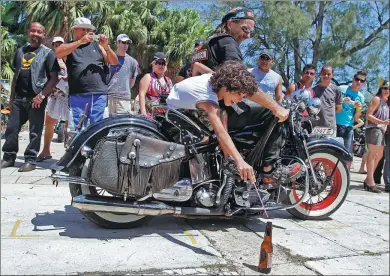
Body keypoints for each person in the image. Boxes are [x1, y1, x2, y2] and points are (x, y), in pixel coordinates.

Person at [188, 7, 298, 183]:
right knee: (274, 115)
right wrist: (276, 107)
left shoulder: (205, 45)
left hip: (197, 110)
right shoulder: (227, 42)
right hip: (216, 111)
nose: (248, 36)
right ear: (230, 23)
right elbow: (241, 82)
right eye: (245, 29)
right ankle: (269, 172)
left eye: (251, 32)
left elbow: (182, 75)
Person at [1, 22, 59, 172]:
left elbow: (54, 78)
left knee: (35, 131)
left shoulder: (48, 53)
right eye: (33, 31)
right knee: (12, 128)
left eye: (39, 32)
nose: (35, 34)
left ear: (43, 35)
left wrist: (41, 96)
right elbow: (16, 76)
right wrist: (12, 98)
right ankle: (8, 157)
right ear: (28, 32)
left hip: (36, 99)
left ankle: (30, 160)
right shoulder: (20, 51)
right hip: (19, 98)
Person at [55, 17, 118, 129]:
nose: (86, 32)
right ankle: (79, 147)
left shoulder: (98, 46)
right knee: (77, 129)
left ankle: (96, 147)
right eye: (83, 29)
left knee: (97, 130)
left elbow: (114, 62)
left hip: (99, 94)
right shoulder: (70, 46)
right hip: (78, 94)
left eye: (88, 30)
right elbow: (58, 53)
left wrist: (106, 46)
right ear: (75, 30)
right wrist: (80, 42)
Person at [37, 36, 69, 162]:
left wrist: (64, 78)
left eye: (60, 44)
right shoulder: (50, 58)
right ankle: (46, 151)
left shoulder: (69, 57)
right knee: (49, 123)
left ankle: (69, 154)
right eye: (55, 44)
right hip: (54, 95)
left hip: (67, 94)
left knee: (68, 125)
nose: (58, 46)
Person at [335, 70, 366, 168]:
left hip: (348, 127)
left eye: (362, 81)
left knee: (347, 154)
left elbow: (356, 117)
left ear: (364, 83)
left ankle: (343, 176)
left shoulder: (361, 97)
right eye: (357, 79)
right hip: (335, 124)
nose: (359, 82)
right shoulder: (341, 89)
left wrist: (359, 108)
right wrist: (341, 101)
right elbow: (330, 103)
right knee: (332, 151)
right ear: (353, 79)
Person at [363, 84, 390, 193]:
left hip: (381, 130)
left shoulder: (385, 102)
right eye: (385, 88)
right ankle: (370, 183)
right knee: (373, 155)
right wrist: (383, 122)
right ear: (381, 89)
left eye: (389, 89)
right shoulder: (376, 99)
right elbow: (368, 115)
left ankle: (368, 179)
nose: (387, 90)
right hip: (374, 129)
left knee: (378, 156)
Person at [107, 34, 139, 116]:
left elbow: (132, 83)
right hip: (109, 97)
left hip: (124, 98)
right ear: (117, 43)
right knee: (109, 124)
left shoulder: (133, 62)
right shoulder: (108, 57)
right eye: (124, 42)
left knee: (123, 125)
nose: (126, 45)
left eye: (128, 43)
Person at [311, 65, 342, 133]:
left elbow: (338, 109)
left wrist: (327, 115)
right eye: (324, 73)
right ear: (320, 74)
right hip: (315, 127)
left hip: (330, 127)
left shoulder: (336, 90)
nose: (326, 76)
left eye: (328, 74)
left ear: (332, 75)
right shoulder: (313, 90)